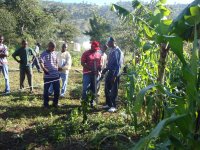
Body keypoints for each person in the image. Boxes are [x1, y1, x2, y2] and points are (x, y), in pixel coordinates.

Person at [102, 37, 124, 112]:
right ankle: (108, 104)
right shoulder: (111, 50)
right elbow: (110, 63)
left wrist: (115, 76)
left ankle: (114, 106)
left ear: (112, 42)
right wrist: (105, 69)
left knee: (114, 90)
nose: (107, 44)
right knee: (107, 88)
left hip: (115, 73)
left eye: (108, 42)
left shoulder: (118, 51)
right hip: (110, 72)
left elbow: (118, 65)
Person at [81, 41, 102, 107]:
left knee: (94, 88)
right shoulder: (86, 53)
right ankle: (84, 102)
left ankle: (92, 102)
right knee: (85, 88)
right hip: (87, 73)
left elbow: (100, 62)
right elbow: (82, 63)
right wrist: (90, 69)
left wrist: (99, 67)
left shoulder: (98, 54)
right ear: (91, 46)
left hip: (95, 74)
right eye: (94, 48)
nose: (96, 49)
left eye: (96, 48)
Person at [39, 42, 60, 108]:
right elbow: (41, 62)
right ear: (49, 46)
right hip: (47, 75)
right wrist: (44, 69)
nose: (54, 48)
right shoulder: (43, 54)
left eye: (54, 47)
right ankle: (46, 104)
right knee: (46, 91)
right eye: (53, 47)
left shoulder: (55, 53)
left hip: (55, 75)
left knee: (57, 90)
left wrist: (56, 68)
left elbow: (56, 61)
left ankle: (55, 103)